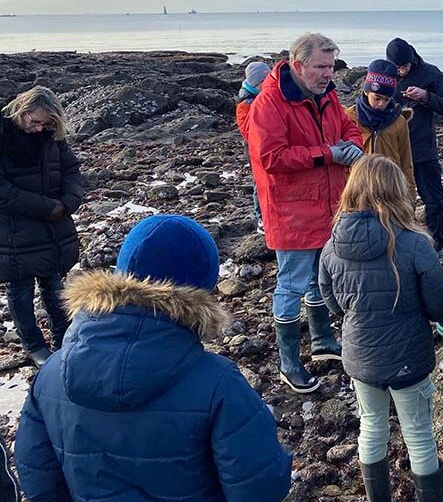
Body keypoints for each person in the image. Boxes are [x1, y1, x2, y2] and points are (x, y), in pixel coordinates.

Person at [14, 215, 292, 502]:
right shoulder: (219, 383)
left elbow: (36, 475)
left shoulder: (50, 375)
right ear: (202, 291)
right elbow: (260, 487)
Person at [317, 155, 443, 502]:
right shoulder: (414, 243)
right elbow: (439, 307)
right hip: (409, 357)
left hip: (361, 357)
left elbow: (331, 303)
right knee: (420, 437)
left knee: (371, 428)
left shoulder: (332, 246)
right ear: (398, 193)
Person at [247, 32, 364, 393]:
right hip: (291, 211)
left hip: (329, 205)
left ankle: (323, 340)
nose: (328, 74)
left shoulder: (326, 95)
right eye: (320, 67)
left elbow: (350, 128)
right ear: (298, 65)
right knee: (292, 283)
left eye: (330, 67)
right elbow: (270, 158)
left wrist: (352, 147)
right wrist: (327, 153)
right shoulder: (269, 103)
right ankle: (288, 363)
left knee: (319, 276)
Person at [0, 86, 82, 366]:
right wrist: (48, 208)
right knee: (20, 290)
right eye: (33, 121)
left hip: (53, 226)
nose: (38, 128)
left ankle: (63, 340)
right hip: (14, 230)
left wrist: (69, 202)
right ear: (20, 110)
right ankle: (34, 346)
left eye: (45, 123)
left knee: (53, 284)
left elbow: (71, 170)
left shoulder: (52, 137)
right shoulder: (2, 136)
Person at [386, 38, 443, 255]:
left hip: (423, 149)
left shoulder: (430, 73)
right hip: (394, 151)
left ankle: (435, 247)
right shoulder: (386, 75)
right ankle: (398, 247)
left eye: (404, 67)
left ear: (411, 60)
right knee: (396, 203)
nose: (401, 71)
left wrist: (425, 96)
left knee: (434, 202)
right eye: (397, 68)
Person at [345, 59, 416, 194]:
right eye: (377, 98)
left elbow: (406, 163)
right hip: (357, 192)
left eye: (386, 99)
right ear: (366, 92)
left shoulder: (399, 122)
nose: (381, 104)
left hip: (390, 192)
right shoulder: (348, 118)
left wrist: (409, 198)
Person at [235, 60, 270, 232]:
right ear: (256, 83)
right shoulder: (245, 105)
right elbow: (248, 131)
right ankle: (261, 218)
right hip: (254, 150)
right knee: (259, 183)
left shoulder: (269, 98)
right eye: (265, 80)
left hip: (268, 147)